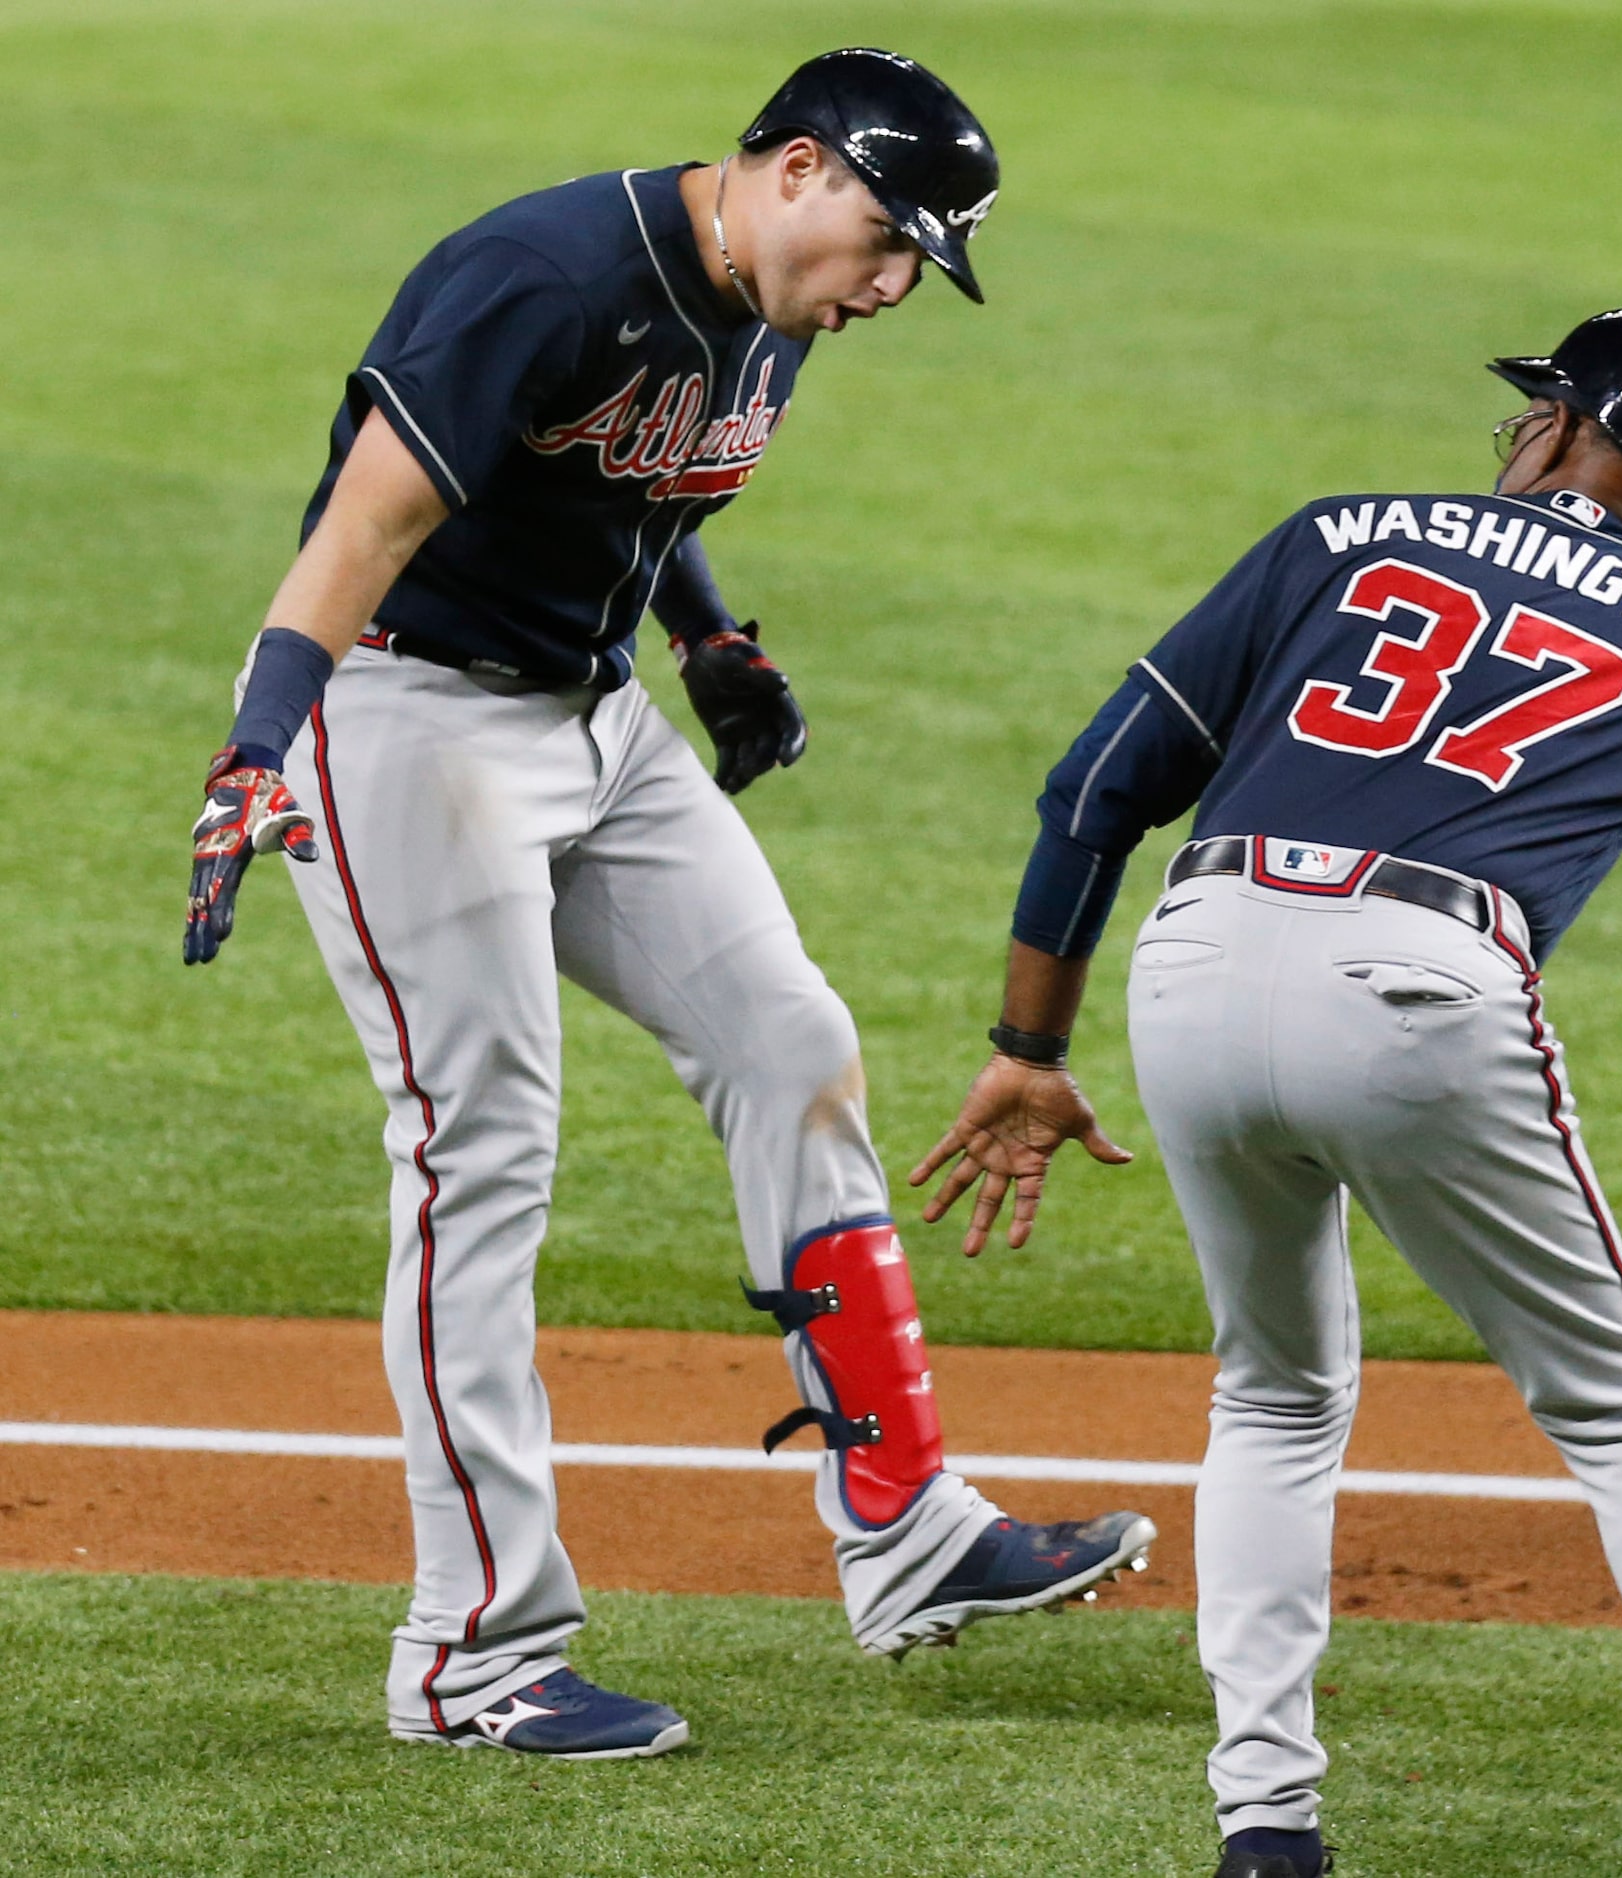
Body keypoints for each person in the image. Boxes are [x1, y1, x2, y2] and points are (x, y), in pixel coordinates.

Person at [180, 47, 1151, 1761]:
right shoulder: (543, 272)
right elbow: (367, 523)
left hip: (595, 715)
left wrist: (709, 638)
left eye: (919, 257)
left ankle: (910, 1528)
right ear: (790, 168)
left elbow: (650, 463)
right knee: (479, 1148)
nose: (892, 285)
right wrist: (257, 745)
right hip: (407, 719)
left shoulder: (777, 295)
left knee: (793, 1042)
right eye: (884, 239)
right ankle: (471, 1652)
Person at [912, 309, 1622, 1876]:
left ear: (1572, 428)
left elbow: (1097, 785)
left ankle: (1267, 1829)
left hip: (1193, 961)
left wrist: (1030, 1046)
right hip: (1422, 986)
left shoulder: (1342, 531)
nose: (1519, 428)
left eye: (1540, 404)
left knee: (1272, 1394)